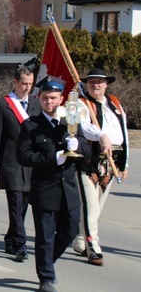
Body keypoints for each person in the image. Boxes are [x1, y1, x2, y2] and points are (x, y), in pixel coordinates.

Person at [17, 79, 91, 292]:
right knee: (45, 237)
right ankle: (46, 277)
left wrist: (78, 145)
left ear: (61, 100)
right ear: (39, 98)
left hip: (69, 189)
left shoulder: (70, 122)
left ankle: (47, 262)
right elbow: (23, 155)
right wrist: (53, 158)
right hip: (45, 190)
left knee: (69, 232)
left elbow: (86, 152)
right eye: (45, 97)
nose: (49, 101)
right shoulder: (30, 125)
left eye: (53, 98)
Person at [73, 68, 129, 266]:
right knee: (91, 206)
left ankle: (80, 240)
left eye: (99, 81)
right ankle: (93, 246)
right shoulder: (82, 103)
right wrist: (100, 135)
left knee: (98, 207)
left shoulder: (114, 103)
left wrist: (125, 162)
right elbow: (83, 127)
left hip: (112, 160)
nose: (95, 84)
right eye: (91, 81)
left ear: (106, 84)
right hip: (90, 160)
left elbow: (124, 131)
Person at [0, 66, 41, 262]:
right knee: (16, 206)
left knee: (23, 206)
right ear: (15, 82)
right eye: (24, 84)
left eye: (30, 84)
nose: (27, 88)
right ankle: (20, 244)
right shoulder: (3, 104)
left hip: (31, 164)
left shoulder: (36, 104)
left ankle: (10, 238)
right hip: (11, 163)